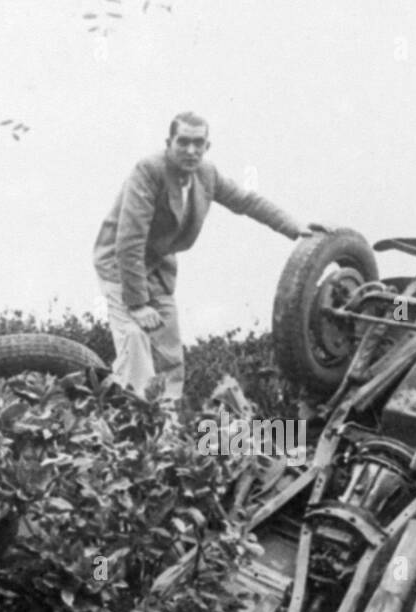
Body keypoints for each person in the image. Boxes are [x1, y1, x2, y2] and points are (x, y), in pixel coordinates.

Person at [93, 111, 324, 400]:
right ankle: (129, 420)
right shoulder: (149, 170)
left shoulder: (206, 174)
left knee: (169, 350)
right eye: (183, 142)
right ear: (169, 142)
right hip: (120, 265)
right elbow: (129, 241)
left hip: (158, 268)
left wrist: (295, 227)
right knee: (136, 340)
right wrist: (138, 305)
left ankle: (165, 425)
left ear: (207, 146)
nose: (191, 150)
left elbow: (246, 201)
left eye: (198, 143)